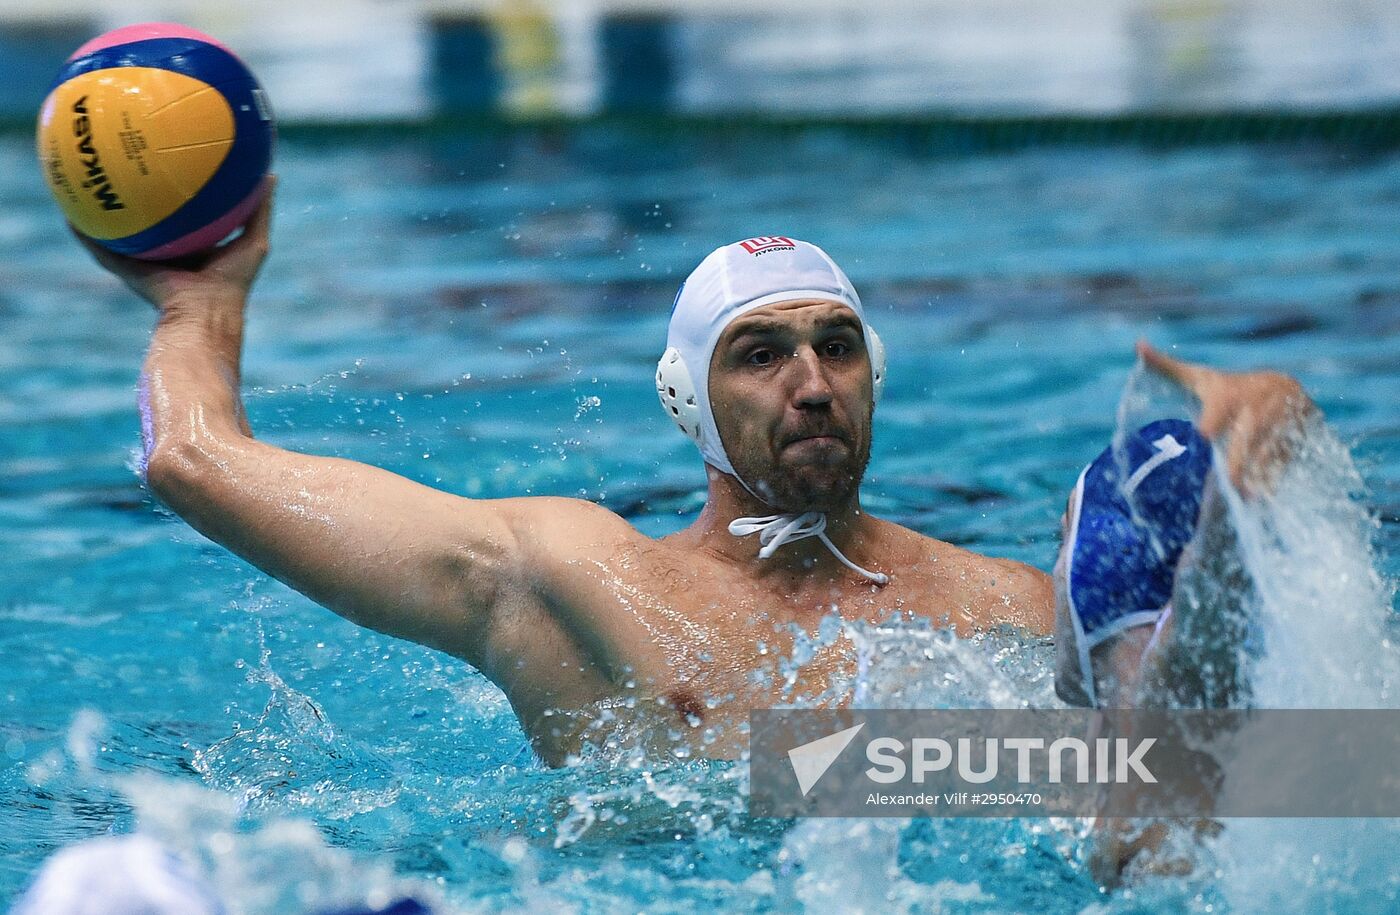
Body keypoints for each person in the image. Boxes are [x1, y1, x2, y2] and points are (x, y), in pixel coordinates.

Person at [76, 181, 1313, 769]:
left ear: (873, 376)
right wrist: (204, 301)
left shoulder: (1007, 608)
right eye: (758, 355)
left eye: (835, 347)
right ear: (686, 401)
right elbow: (194, 461)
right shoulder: (571, 583)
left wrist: (1284, 461)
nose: (810, 382)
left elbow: (1279, 759)